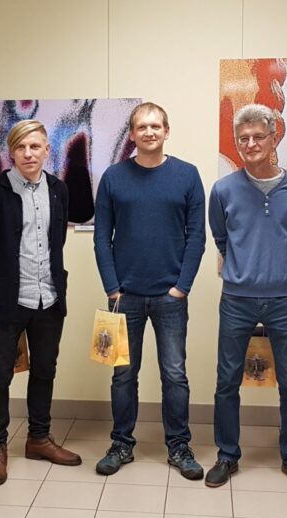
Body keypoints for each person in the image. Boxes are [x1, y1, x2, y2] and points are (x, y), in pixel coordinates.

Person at [207, 104, 287, 491]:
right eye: (243, 139)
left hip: (284, 300)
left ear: (274, 138)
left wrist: (276, 271)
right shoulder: (223, 190)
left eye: (259, 136)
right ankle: (227, 455)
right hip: (237, 299)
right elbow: (221, 238)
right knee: (227, 382)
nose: (251, 144)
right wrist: (247, 270)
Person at [0, 119, 82, 486]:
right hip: (6, 303)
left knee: (45, 369)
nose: (29, 153)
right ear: (11, 152)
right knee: (0, 374)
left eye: (35, 147)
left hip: (49, 299)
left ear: (47, 150)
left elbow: (56, 242)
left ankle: (38, 439)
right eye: (21, 147)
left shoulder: (59, 190)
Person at [93, 102, 206, 480]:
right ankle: (121, 444)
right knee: (123, 375)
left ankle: (179, 446)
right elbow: (101, 238)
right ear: (132, 134)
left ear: (166, 131)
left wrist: (181, 288)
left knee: (174, 374)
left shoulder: (187, 175)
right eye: (141, 127)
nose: (149, 132)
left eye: (156, 126)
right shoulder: (113, 177)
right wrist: (112, 289)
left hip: (170, 298)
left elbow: (196, 238)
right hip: (124, 297)